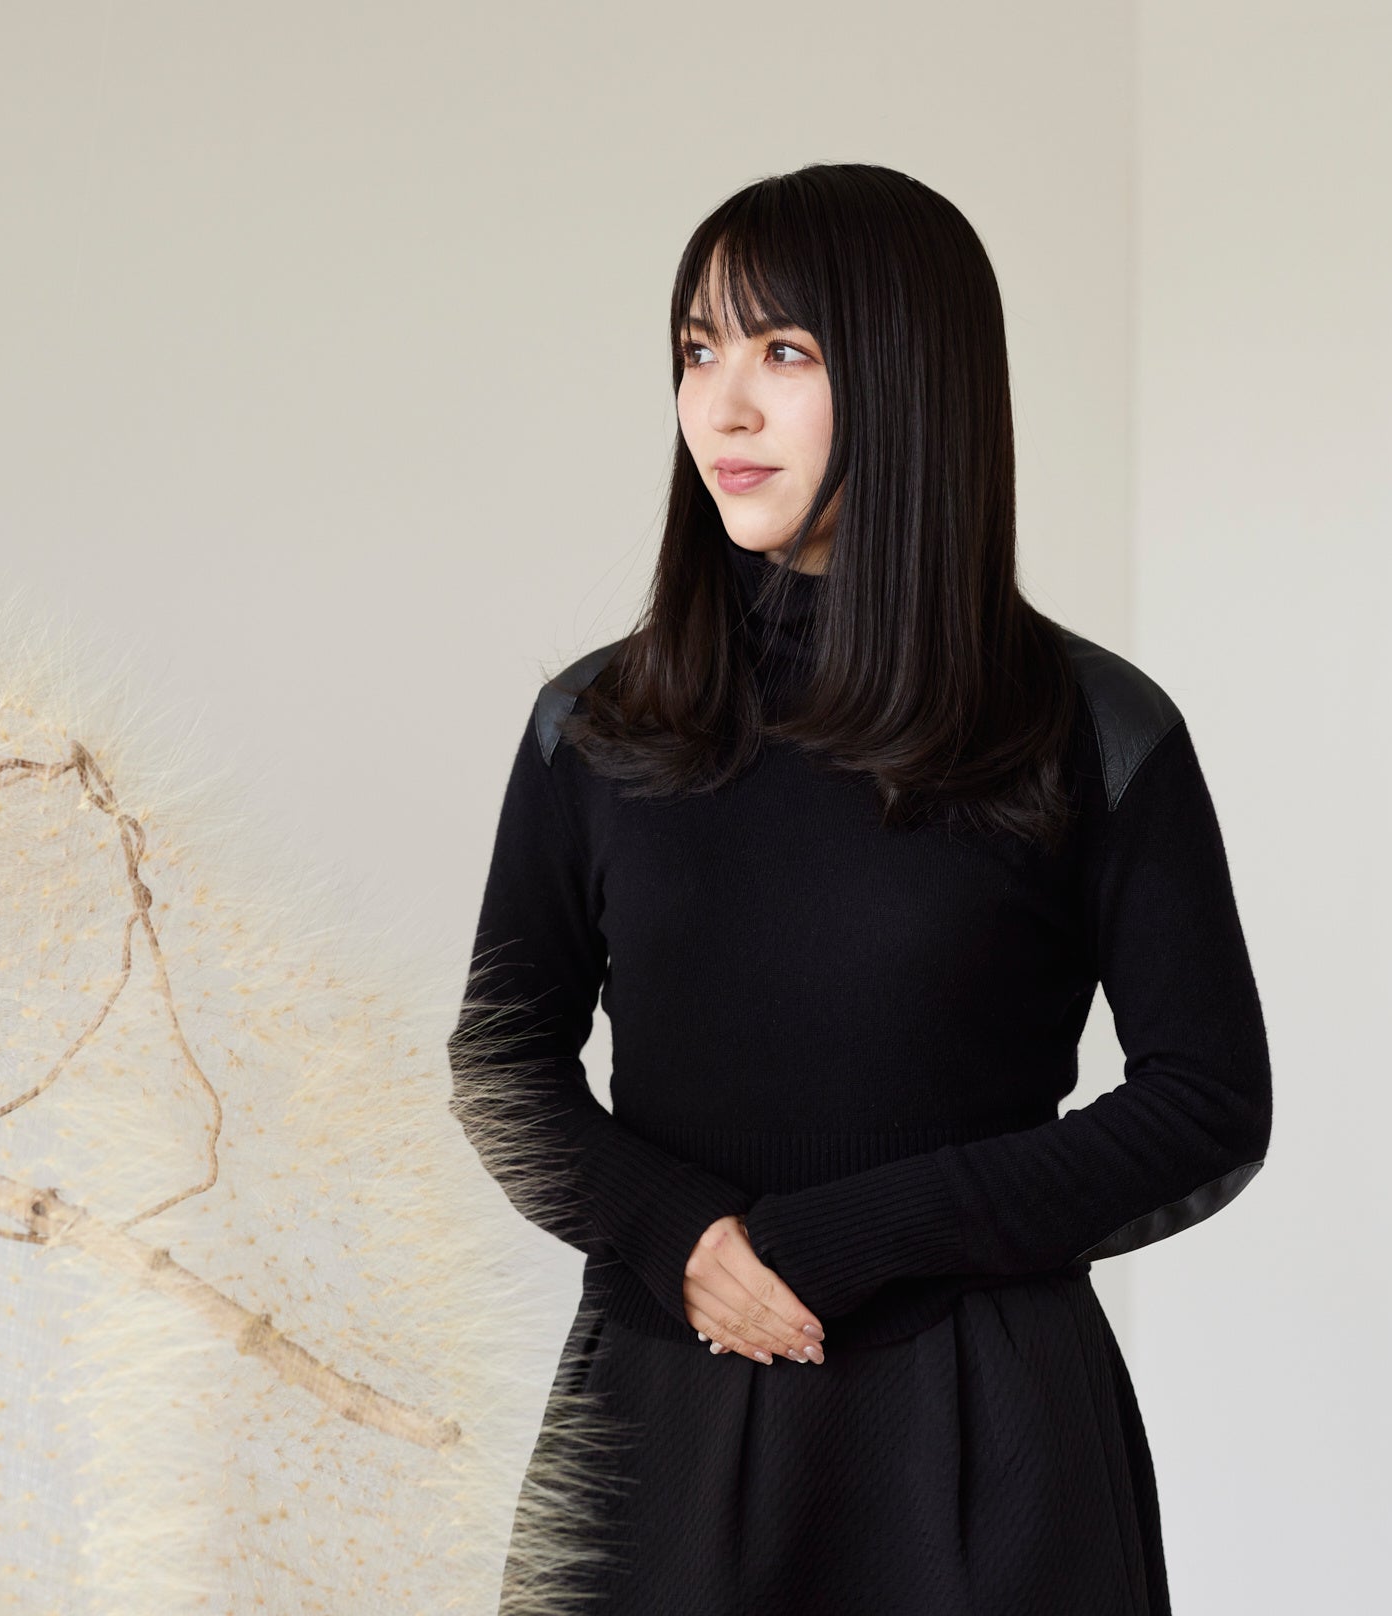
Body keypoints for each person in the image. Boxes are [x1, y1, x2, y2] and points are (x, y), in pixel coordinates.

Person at [447, 161, 1273, 1615]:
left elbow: (1207, 1103)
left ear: (910, 378)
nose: (723, 407)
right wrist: (681, 1236)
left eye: (785, 352)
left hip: (981, 1437)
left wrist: (864, 1236)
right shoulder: (601, 726)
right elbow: (502, 1063)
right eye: (698, 349)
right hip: (663, 1413)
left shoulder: (1086, 730)